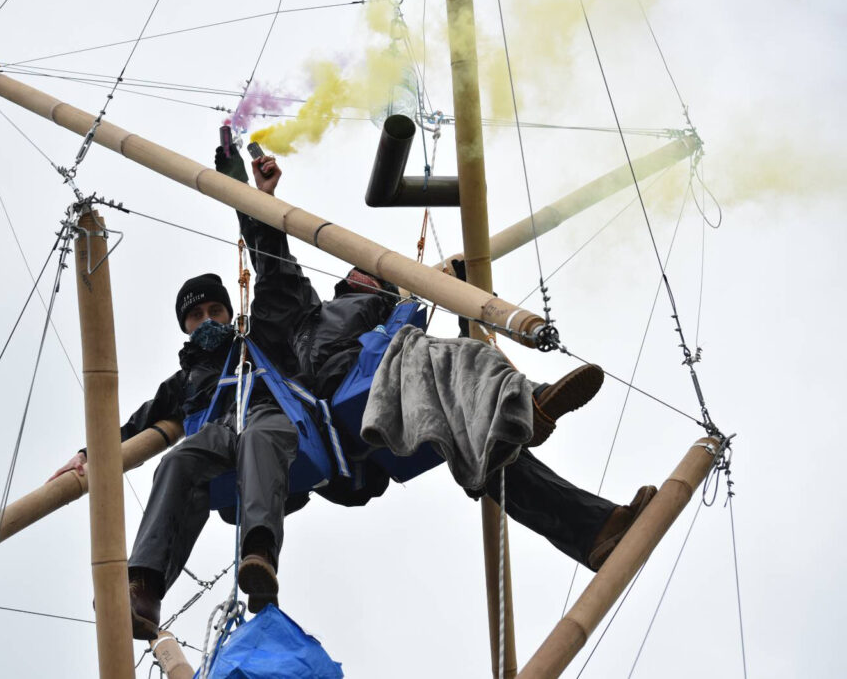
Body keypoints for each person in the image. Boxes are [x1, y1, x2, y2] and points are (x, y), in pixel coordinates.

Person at [215, 146, 656, 574]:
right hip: (340, 400)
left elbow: (465, 360)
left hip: (392, 409)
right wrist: (245, 184)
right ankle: (529, 403)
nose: (367, 269)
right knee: (431, 355)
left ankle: (597, 530)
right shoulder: (309, 314)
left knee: (485, 445)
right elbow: (270, 255)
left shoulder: (392, 315)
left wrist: (466, 303)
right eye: (361, 266)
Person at [49, 156, 311, 640]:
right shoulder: (185, 380)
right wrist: (89, 454)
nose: (209, 320)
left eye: (217, 310)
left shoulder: (259, 340)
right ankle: (143, 587)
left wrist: (259, 201)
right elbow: (135, 424)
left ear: (231, 313)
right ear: (186, 327)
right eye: (198, 316)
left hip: (270, 417)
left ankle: (259, 556)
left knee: (259, 435)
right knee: (177, 461)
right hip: (214, 436)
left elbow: (277, 277)